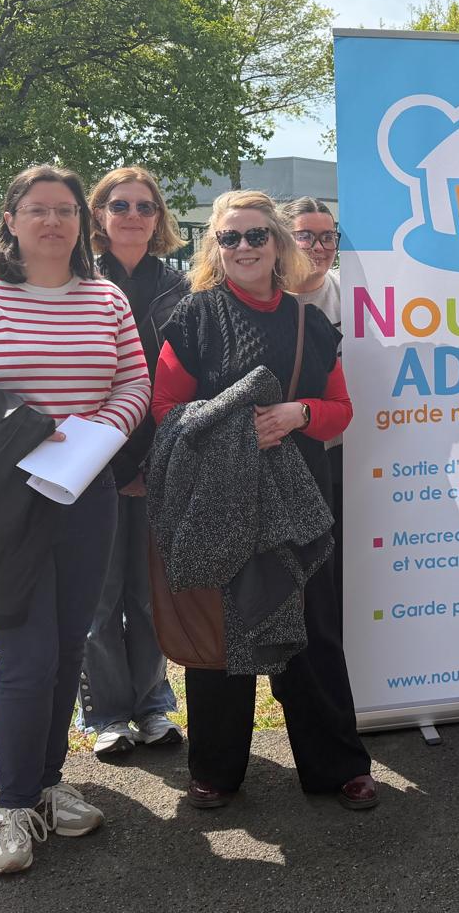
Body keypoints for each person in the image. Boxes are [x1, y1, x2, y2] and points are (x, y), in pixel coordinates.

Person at [0, 165, 150, 875]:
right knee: (28, 657)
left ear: (83, 223)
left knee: (70, 646)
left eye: (66, 210)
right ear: (10, 221)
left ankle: (48, 784)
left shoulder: (107, 297)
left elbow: (134, 380)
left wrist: (103, 430)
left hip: (85, 489)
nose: (52, 222)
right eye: (37, 209)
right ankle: (13, 806)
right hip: (1, 500)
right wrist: (33, 431)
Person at [149, 190, 377, 811]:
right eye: (230, 237)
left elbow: (340, 412)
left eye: (256, 235)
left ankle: (339, 765)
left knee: (314, 634)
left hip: (299, 501)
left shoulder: (310, 323)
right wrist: (233, 428)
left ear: (278, 244)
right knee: (222, 637)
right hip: (219, 499)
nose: (244, 247)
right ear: (215, 248)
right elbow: (165, 410)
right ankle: (216, 770)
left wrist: (299, 413)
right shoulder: (194, 318)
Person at [77, 168, 189, 758]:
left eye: (146, 206)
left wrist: (152, 461)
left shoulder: (182, 288)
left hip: (160, 459)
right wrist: (115, 463)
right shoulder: (76, 281)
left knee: (148, 596)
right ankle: (106, 714)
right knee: (99, 598)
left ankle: (151, 706)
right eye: (119, 205)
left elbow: (189, 379)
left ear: (158, 217)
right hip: (90, 460)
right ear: (98, 214)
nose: (133, 215)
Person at [282, 196, 345, 610]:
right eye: (305, 236)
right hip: (285, 458)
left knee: (337, 571)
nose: (319, 247)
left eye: (328, 237)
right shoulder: (269, 298)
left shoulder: (353, 293)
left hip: (342, 453)